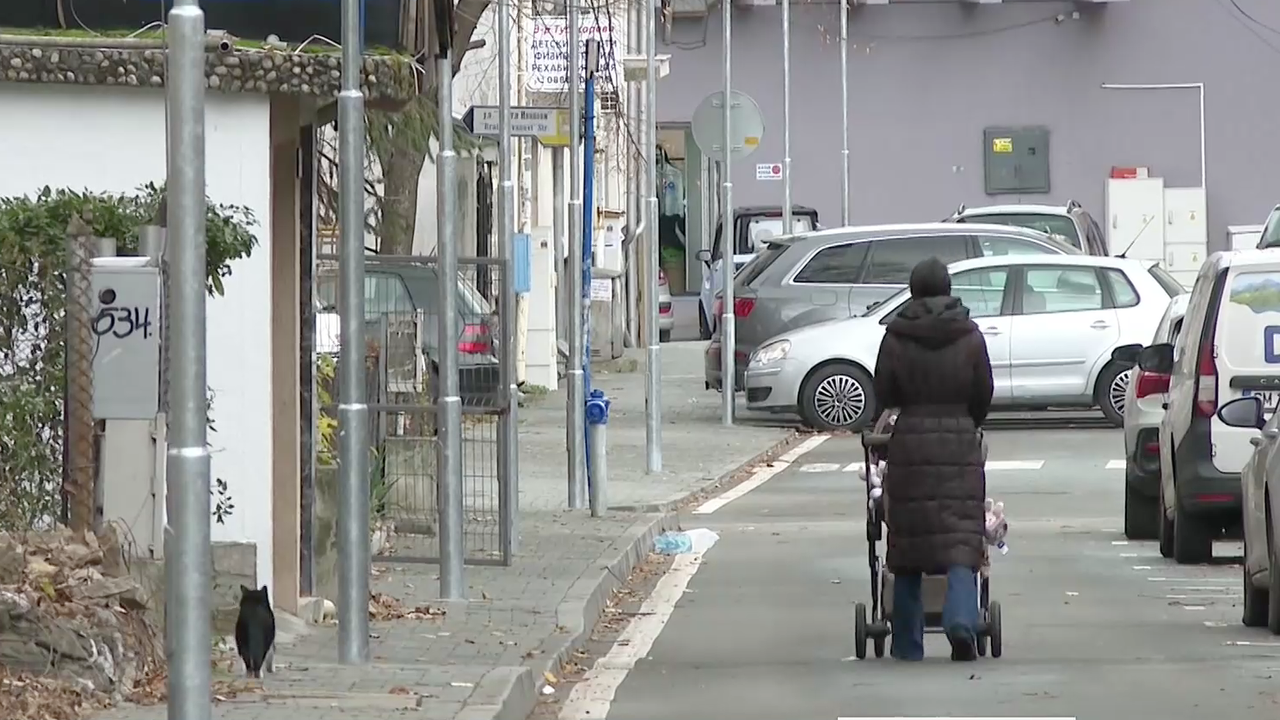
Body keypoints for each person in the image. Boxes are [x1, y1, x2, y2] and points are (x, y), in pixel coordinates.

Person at [872, 256, 994, 662]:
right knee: (961, 538)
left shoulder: (896, 336)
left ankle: (908, 643)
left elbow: (884, 391)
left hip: (910, 444)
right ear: (947, 288)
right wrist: (965, 419)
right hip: (959, 440)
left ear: (912, 290)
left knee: (907, 545)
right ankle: (961, 620)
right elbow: (983, 393)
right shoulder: (970, 334)